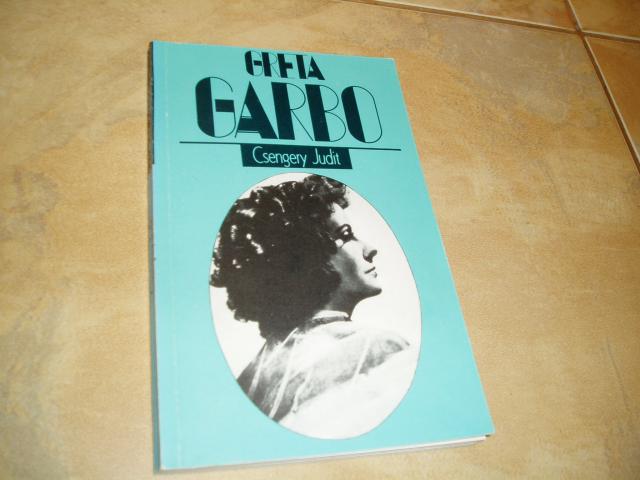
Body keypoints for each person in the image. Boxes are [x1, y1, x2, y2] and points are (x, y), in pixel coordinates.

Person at [211, 174, 416, 439]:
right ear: (306, 256)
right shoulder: (379, 349)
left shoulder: (245, 383)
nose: (369, 249)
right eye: (346, 236)